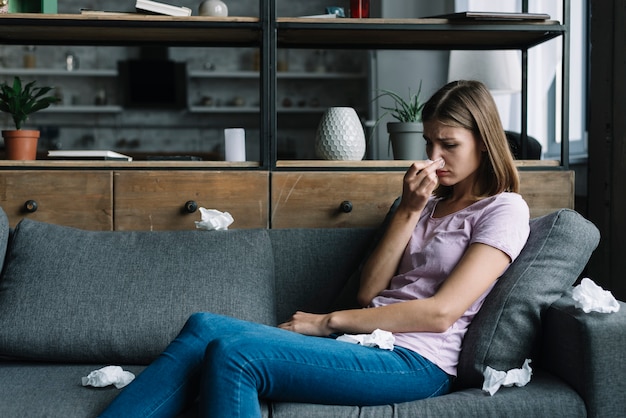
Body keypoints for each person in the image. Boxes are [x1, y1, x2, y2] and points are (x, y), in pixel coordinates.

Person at [99, 80, 530, 417]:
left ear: (484, 141)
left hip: (418, 362)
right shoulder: (427, 202)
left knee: (235, 356)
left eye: (449, 145)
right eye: (428, 144)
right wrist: (409, 209)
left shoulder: (504, 210)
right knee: (205, 328)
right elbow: (370, 292)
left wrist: (327, 322)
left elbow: (440, 314)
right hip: (368, 343)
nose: (434, 158)